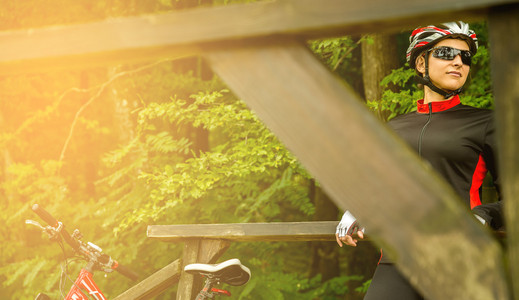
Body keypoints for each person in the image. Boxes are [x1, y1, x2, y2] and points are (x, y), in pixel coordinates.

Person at [335, 21, 504, 299]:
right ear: (421, 63)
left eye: (466, 57)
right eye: (447, 54)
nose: (459, 62)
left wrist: (483, 216)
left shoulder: (485, 123)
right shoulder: (395, 128)